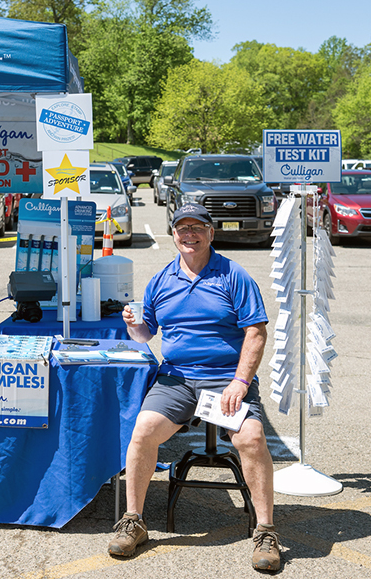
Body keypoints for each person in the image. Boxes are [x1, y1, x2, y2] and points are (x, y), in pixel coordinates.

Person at [107, 203, 281, 572]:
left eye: (197, 227)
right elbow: (146, 333)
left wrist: (240, 381)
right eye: (182, 228)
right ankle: (134, 521)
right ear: (173, 235)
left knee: (251, 439)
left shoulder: (234, 275)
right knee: (143, 431)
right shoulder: (161, 280)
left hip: (225, 379)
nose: (190, 235)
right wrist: (133, 325)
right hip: (178, 379)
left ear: (210, 233)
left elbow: (256, 332)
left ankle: (266, 531)